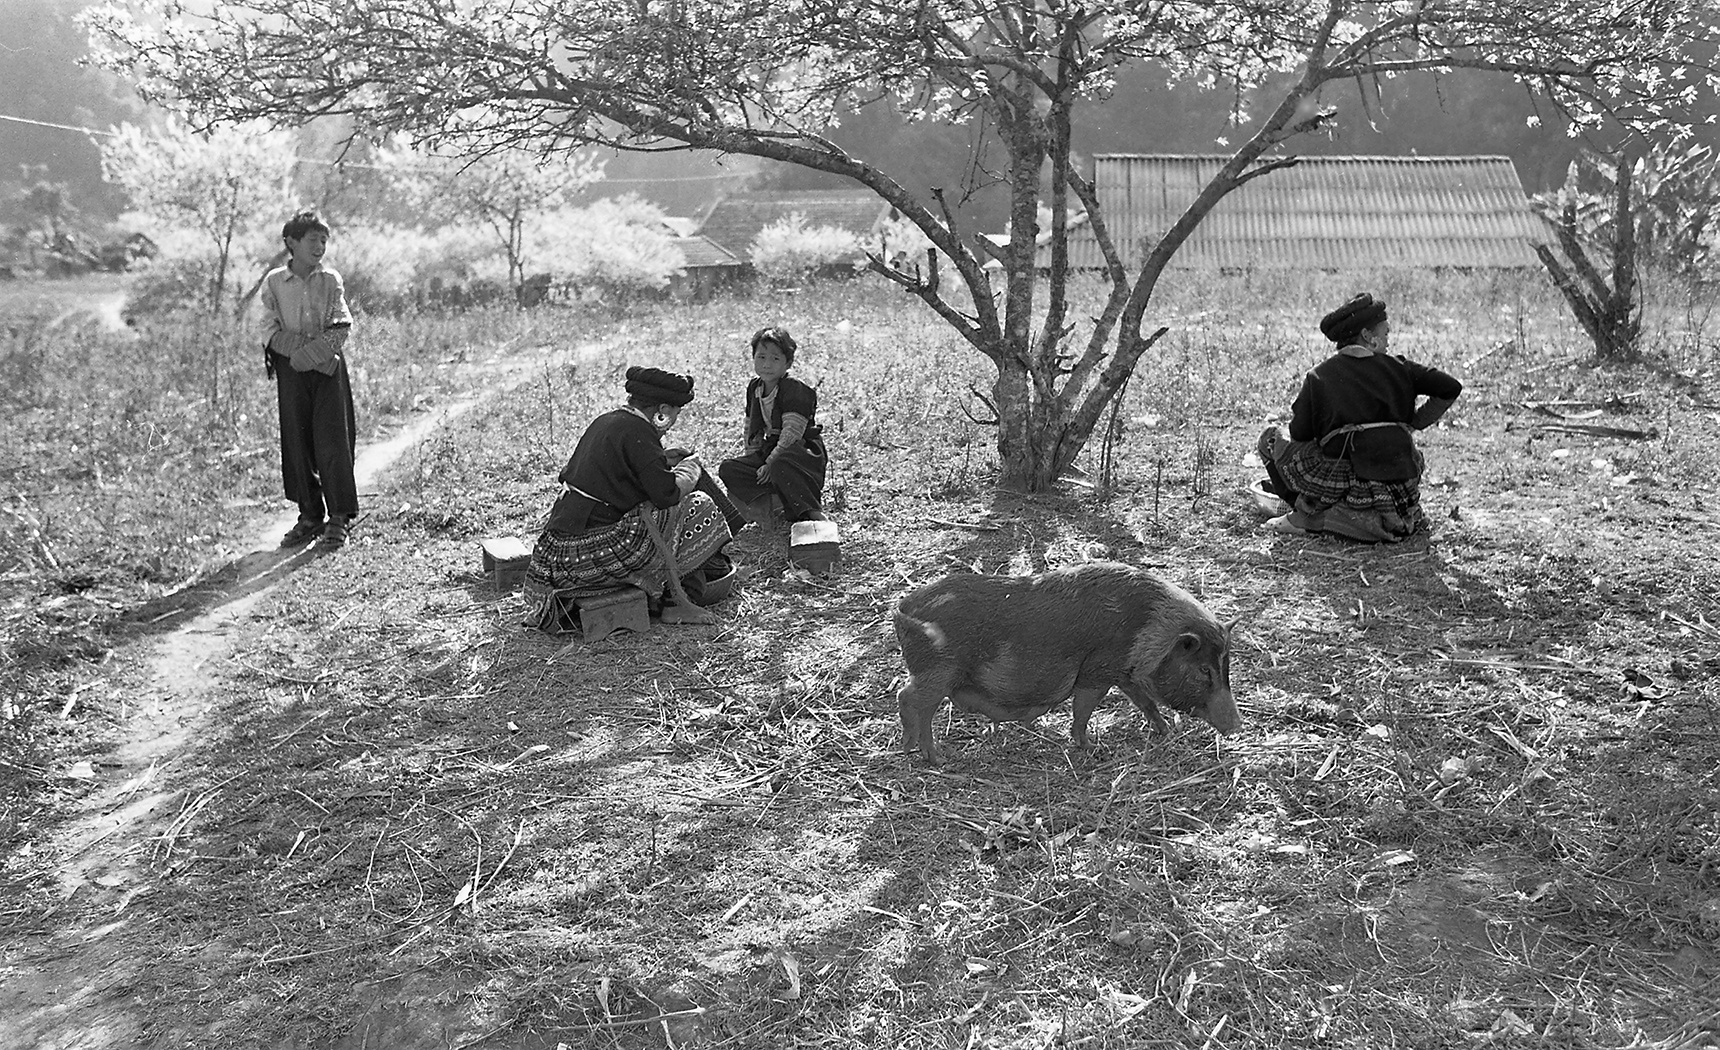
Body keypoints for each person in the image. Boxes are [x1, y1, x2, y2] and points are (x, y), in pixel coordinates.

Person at [522, 366, 738, 631]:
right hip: (585, 555)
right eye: (675, 414)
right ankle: (677, 601)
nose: (673, 422)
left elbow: (613, 474)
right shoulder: (639, 431)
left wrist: (660, 461)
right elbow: (667, 495)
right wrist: (689, 469)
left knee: (667, 510)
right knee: (698, 505)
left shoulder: (609, 421)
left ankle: (689, 581)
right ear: (662, 410)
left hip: (556, 556)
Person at [1257, 293, 1462, 542]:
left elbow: (1299, 434)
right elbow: (1450, 387)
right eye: (1385, 333)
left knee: (1270, 438)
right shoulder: (1401, 367)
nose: (1388, 341)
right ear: (1367, 335)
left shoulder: (1319, 376)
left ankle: (1304, 513)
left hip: (1343, 484)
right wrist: (1413, 423)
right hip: (1400, 485)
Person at [260, 210, 358, 551]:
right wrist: (297, 352)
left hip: (328, 369)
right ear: (292, 242)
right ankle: (310, 516)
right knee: (298, 442)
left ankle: (340, 516)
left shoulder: (330, 280)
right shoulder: (274, 282)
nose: (320, 247)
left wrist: (314, 354)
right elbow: (267, 328)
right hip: (292, 371)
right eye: (313, 239)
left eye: (324, 240)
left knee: (333, 440)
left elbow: (341, 325)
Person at [718, 326, 828, 524]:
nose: (767, 365)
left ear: (788, 363)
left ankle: (811, 511)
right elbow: (751, 429)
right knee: (729, 468)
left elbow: (791, 434)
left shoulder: (794, 389)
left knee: (780, 465)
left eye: (775, 359)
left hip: (799, 452)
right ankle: (774, 504)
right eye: (761, 357)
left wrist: (769, 464)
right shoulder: (755, 388)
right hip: (772, 449)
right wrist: (755, 460)